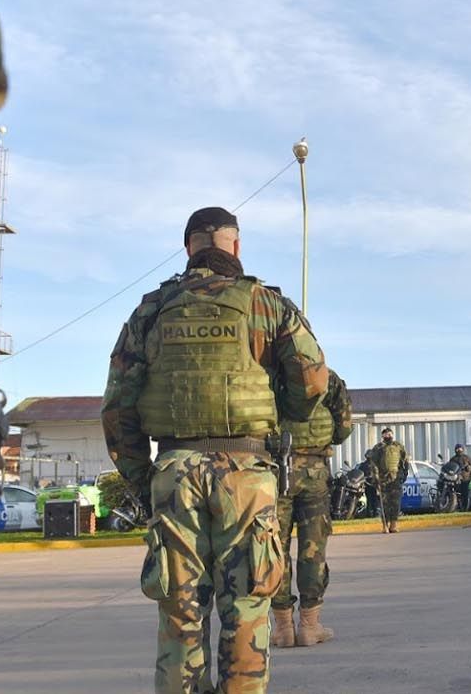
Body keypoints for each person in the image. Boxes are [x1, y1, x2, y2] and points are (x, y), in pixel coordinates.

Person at [102, 206, 330, 694]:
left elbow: (117, 409)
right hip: (248, 474)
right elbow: (313, 381)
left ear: (188, 248)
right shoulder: (268, 306)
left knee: (180, 616)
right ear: (236, 246)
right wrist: (279, 422)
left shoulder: (150, 311)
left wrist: (146, 482)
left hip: (174, 473)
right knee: (247, 609)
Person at [270, 368, 353, 649]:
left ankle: (283, 628)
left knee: (274, 548)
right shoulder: (326, 378)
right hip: (314, 472)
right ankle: (309, 626)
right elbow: (343, 430)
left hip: (274, 472)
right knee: (312, 551)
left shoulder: (267, 374)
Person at [366, 428, 408, 533]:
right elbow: (373, 463)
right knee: (384, 503)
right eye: (386, 434)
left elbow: (405, 460)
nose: (388, 436)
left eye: (389, 434)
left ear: (392, 435)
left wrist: (404, 474)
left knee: (395, 502)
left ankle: (393, 525)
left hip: (396, 478)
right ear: (382, 436)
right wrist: (375, 478)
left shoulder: (398, 446)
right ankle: (385, 525)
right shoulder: (378, 448)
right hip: (383, 479)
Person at [452, 443, 471, 511]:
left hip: (466, 479)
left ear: (463, 449)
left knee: (465, 494)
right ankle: (457, 506)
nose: (459, 450)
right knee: (456, 494)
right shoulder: (453, 459)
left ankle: (465, 508)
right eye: (457, 448)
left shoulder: (467, 458)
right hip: (456, 480)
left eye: (460, 448)